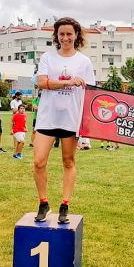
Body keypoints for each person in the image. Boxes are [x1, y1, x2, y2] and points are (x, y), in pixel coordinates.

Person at [32, 16, 96, 223]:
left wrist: (88, 126)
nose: (65, 37)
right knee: (39, 161)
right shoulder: (47, 58)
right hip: (47, 118)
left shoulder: (84, 61)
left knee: (68, 161)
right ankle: (43, 202)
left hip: (71, 118)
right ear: (56, 36)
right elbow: (42, 83)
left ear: (76, 35)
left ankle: (65, 204)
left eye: (69, 34)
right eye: (62, 34)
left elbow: (90, 94)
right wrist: (68, 81)